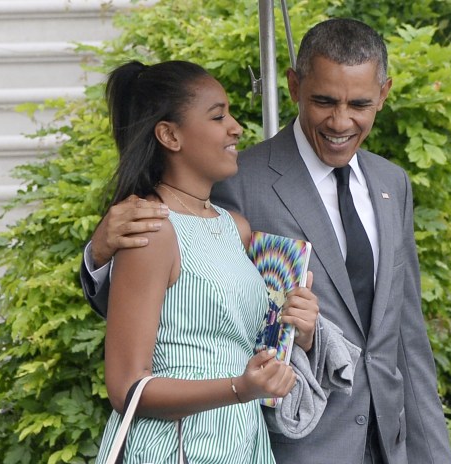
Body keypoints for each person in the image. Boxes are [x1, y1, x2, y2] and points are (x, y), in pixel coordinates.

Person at [82, 18, 451, 464]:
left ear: (384, 94)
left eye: (359, 103)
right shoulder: (236, 182)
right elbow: (169, 309)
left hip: (379, 444)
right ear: (294, 87)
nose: (341, 120)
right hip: (272, 446)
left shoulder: (392, 183)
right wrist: (98, 254)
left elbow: (406, 338)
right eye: (323, 101)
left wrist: (433, 454)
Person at [89, 59, 319, 464]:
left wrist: (295, 329)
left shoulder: (237, 229)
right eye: (218, 116)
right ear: (169, 135)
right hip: (175, 448)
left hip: (242, 443)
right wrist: (238, 389)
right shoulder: (152, 229)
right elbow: (126, 387)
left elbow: (244, 345)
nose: (236, 127)